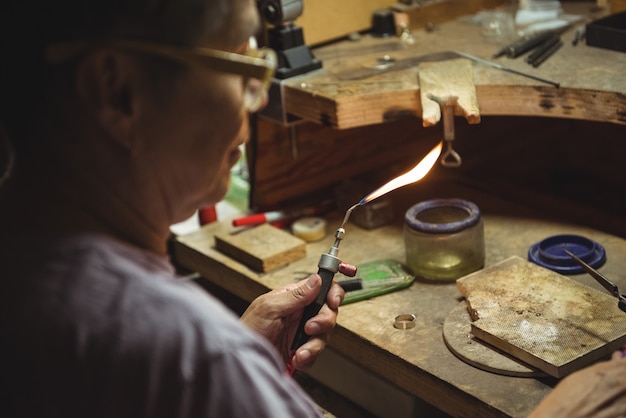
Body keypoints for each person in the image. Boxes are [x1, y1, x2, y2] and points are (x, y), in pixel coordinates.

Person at [0, 1, 344, 417]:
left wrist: (235, 370)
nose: (256, 99)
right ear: (116, 90)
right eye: (239, 64)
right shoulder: (193, 356)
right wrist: (222, 368)